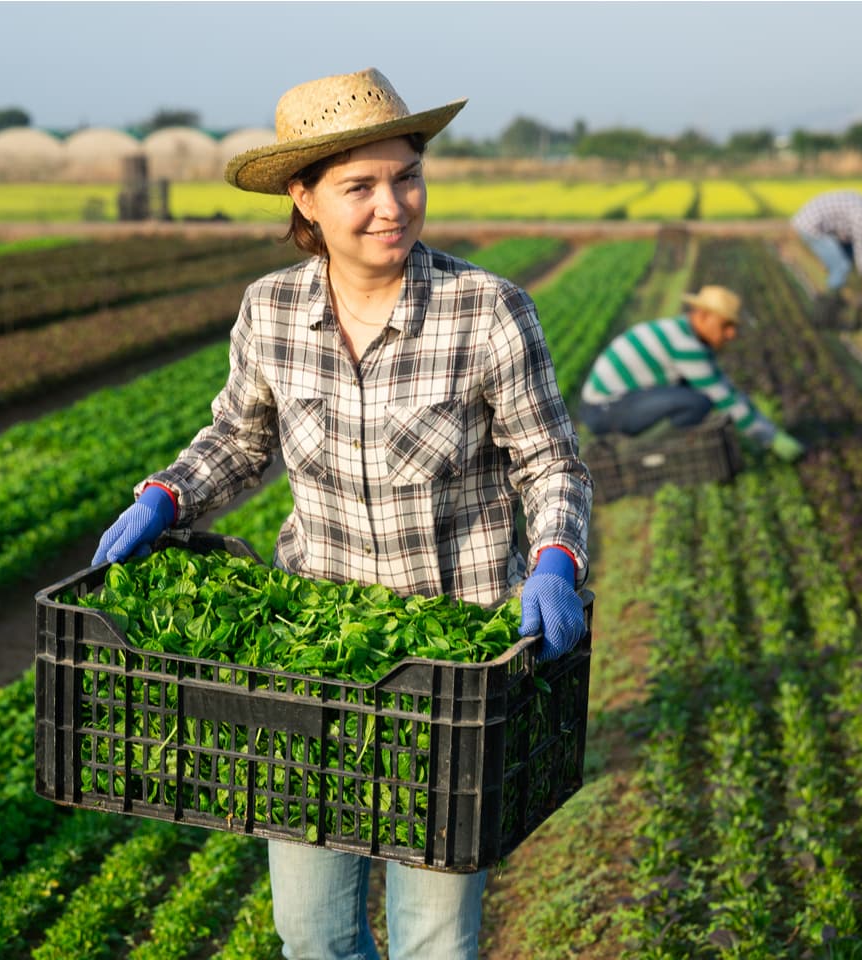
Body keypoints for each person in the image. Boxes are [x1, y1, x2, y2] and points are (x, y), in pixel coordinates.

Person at [90, 68, 591, 960]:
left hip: (452, 667)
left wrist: (555, 553)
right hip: (311, 665)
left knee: (433, 936)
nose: (391, 205)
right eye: (359, 187)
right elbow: (239, 441)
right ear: (305, 198)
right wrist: (166, 494)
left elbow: (550, 461)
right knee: (311, 934)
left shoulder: (487, 311)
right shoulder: (272, 309)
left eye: (407, 177)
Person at [577, 284, 806, 463]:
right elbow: (724, 398)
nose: (731, 334)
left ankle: (654, 448)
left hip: (608, 404)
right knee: (698, 402)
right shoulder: (686, 345)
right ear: (704, 316)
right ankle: (646, 454)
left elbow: (723, 386)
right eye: (726, 325)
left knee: (694, 393)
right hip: (604, 409)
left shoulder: (681, 331)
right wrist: (771, 439)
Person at [791, 188, 862, 313]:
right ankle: (826, 306)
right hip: (811, 226)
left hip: (824, 227)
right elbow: (861, 249)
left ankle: (835, 286)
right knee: (841, 265)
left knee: (847, 256)